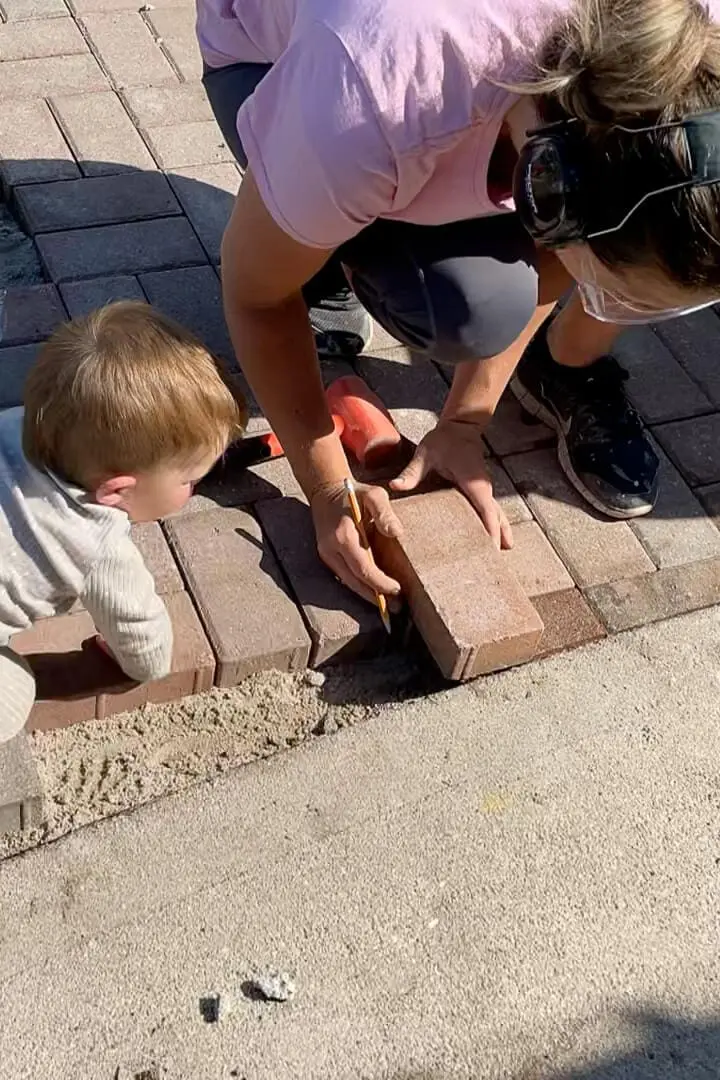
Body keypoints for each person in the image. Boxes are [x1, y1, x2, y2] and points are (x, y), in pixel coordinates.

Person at [198, 0, 720, 607]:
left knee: (481, 305)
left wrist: (466, 423)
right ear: (553, 192)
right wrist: (329, 492)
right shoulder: (376, 89)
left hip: (436, 111)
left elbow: (561, 256)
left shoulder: (694, 51)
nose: (597, 302)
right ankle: (320, 243)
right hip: (269, 57)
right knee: (439, 296)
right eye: (604, 289)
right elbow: (256, 297)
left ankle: (328, 214)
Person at [0, 302, 243, 743]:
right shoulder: (98, 544)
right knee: (14, 691)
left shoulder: (17, 423)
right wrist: (127, 661)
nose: (197, 486)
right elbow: (145, 647)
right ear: (115, 491)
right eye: (191, 479)